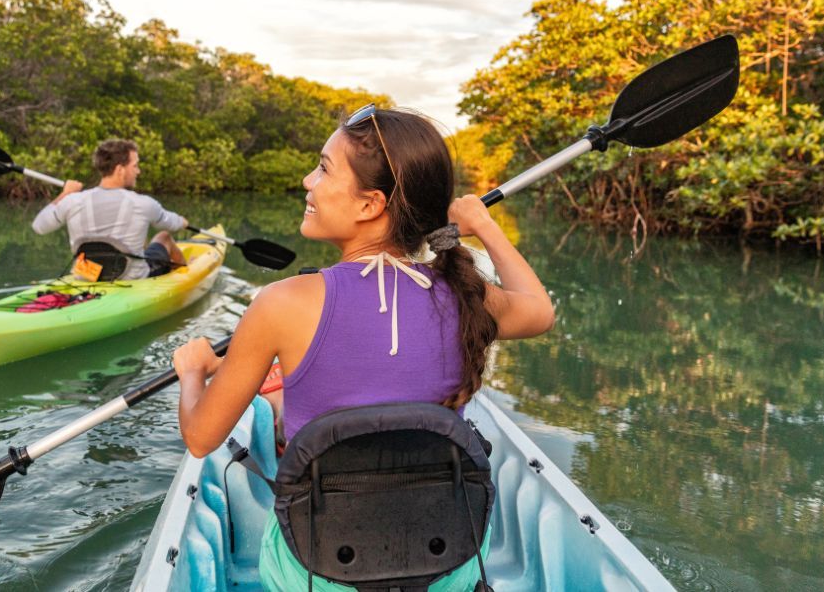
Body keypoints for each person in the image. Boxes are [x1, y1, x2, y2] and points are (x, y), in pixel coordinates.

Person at [171, 105, 556, 589]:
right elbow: (539, 310)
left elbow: (202, 438)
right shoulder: (465, 294)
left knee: (277, 408)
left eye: (324, 168)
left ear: (370, 204)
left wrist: (192, 371)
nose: (308, 181)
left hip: (318, 572)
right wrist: (482, 224)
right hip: (446, 565)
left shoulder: (281, 303)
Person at [31, 139, 188, 280]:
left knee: (141, 243)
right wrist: (182, 222)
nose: (138, 171)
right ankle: (187, 275)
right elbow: (172, 224)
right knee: (164, 237)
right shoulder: (143, 203)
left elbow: (39, 226)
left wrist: (65, 194)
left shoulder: (73, 200)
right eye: (135, 166)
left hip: (87, 276)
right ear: (120, 170)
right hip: (130, 278)